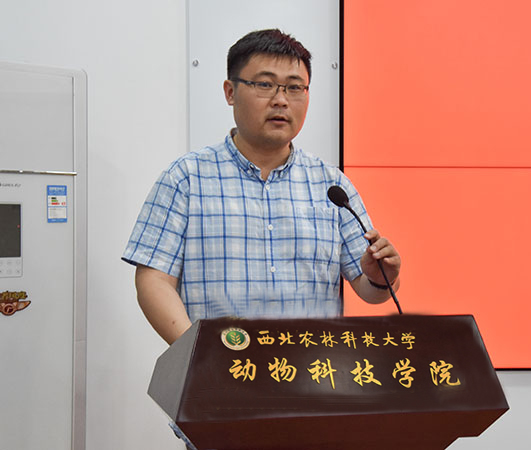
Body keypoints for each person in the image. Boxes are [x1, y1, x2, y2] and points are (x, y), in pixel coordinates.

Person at [122, 29, 401, 346]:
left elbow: (369, 289)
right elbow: (154, 280)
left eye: (294, 88)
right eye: (265, 85)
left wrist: (381, 278)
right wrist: (196, 354)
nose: (281, 100)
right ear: (230, 92)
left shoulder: (331, 185)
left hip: (310, 368)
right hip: (220, 367)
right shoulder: (186, 179)